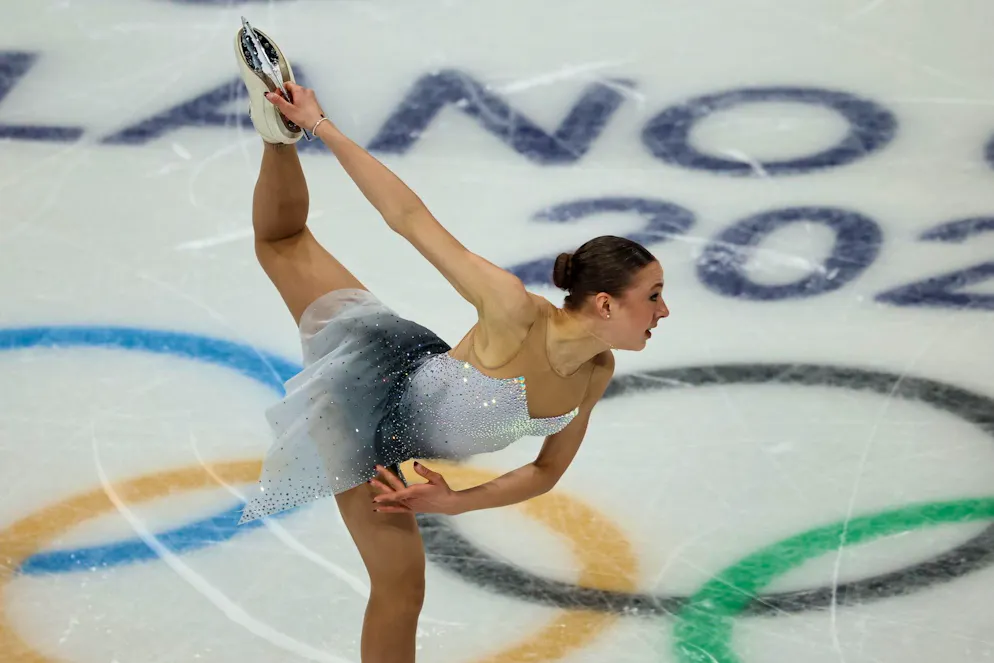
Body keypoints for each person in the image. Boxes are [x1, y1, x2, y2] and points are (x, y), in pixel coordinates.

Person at [233, 23, 669, 663]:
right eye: (653, 296)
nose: (664, 311)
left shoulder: (596, 370)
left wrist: (454, 501)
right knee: (401, 586)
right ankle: (282, 138)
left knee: (285, 245)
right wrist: (320, 126)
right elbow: (409, 219)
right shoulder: (511, 309)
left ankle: (276, 141)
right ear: (606, 302)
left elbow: (546, 472)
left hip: (413, 366)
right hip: (367, 403)